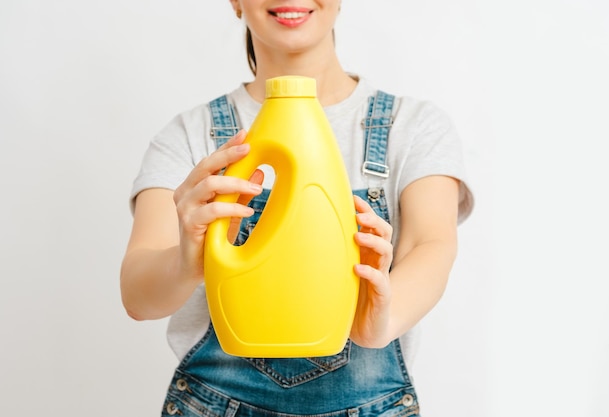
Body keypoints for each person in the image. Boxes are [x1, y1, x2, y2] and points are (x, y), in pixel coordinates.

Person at [121, 1, 474, 416]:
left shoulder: (411, 126)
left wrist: (382, 319)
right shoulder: (190, 135)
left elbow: (430, 245)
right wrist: (188, 259)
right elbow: (138, 296)